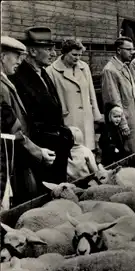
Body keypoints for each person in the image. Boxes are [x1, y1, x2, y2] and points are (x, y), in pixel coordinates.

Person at [9, 27, 73, 186]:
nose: (54, 53)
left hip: (55, 148)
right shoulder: (19, 77)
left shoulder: (43, 73)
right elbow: (25, 120)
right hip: (41, 153)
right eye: (48, 49)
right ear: (32, 51)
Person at [1, 35, 56, 208]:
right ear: (2, 56)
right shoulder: (1, 86)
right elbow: (11, 128)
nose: (20, 61)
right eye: (16, 56)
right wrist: (38, 152)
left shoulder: (5, 81)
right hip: (8, 157)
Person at [46, 39, 102, 151]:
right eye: (74, 55)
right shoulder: (51, 71)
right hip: (68, 117)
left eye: (80, 55)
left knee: (88, 149)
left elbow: (91, 91)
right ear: (65, 53)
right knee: (73, 149)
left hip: (86, 116)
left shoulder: (84, 67)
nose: (77, 58)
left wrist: (96, 114)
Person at [101, 36, 135, 154]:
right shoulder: (110, 70)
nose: (132, 53)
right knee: (128, 154)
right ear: (118, 50)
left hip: (134, 117)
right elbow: (113, 100)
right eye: (128, 49)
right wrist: (122, 124)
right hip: (125, 122)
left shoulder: (124, 66)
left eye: (132, 49)